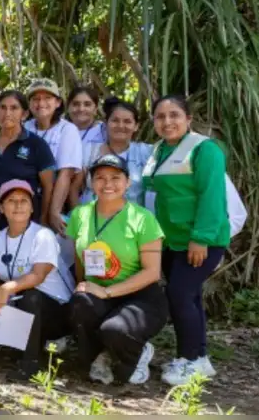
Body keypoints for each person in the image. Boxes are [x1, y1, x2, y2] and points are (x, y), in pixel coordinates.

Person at [141, 94, 230, 386]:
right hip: (170, 241)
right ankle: (197, 358)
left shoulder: (205, 150)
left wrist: (200, 239)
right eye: (160, 117)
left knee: (178, 295)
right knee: (188, 296)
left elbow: (212, 197)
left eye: (174, 115)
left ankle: (190, 360)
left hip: (200, 240)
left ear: (188, 119)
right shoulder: (158, 150)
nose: (167, 122)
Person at [68, 154, 167, 385]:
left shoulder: (143, 219)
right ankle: (100, 354)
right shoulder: (80, 214)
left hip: (140, 296)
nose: (108, 184)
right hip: (99, 290)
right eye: (100, 178)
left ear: (128, 182)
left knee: (115, 330)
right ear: (91, 183)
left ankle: (137, 351)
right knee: (79, 304)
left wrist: (108, 292)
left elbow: (152, 272)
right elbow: (80, 259)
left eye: (115, 177)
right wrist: (83, 288)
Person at [0, 180, 73, 380]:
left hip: (57, 312)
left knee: (31, 295)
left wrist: (6, 289)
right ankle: (16, 343)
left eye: (24, 201)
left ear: (32, 207)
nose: (18, 206)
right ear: (1, 207)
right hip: (21, 306)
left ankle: (31, 362)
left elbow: (38, 276)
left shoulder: (43, 235)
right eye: (11, 201)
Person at [0, 90, 56, 244]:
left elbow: (48, 186)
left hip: (20, 224)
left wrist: (44, 217)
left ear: (24, 114)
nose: (7, 113)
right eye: (2, 107)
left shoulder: (36, 145)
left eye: (14, 108)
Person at [24, 78, 82, 235]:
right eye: (35, 99)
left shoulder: (67, 129)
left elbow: (66, 173)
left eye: (47, 98)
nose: (41, 103)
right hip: (24, 200)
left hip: (53, 200)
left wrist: (53, 212)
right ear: (29, 104)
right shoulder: (24, 128)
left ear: (58, 102)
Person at [74, 98, 153, 206]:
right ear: (106, 123)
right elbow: (74, 188)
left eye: (127, 121)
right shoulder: (89, 150)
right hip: (91, 218)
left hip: (132, 220)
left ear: (136, 126)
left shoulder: (146, 152)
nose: (120, 126)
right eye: (115, 120)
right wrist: (78, 216)